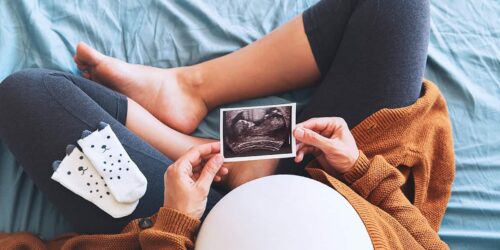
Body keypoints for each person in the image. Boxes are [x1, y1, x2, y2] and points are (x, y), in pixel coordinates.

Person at [0, 0, 454, 249]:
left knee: (27, 95)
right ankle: (194, 91)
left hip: (194, 231)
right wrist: (359, 169)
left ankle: (227, 161)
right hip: (337, 189)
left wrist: (175, 224)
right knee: (393, 6)